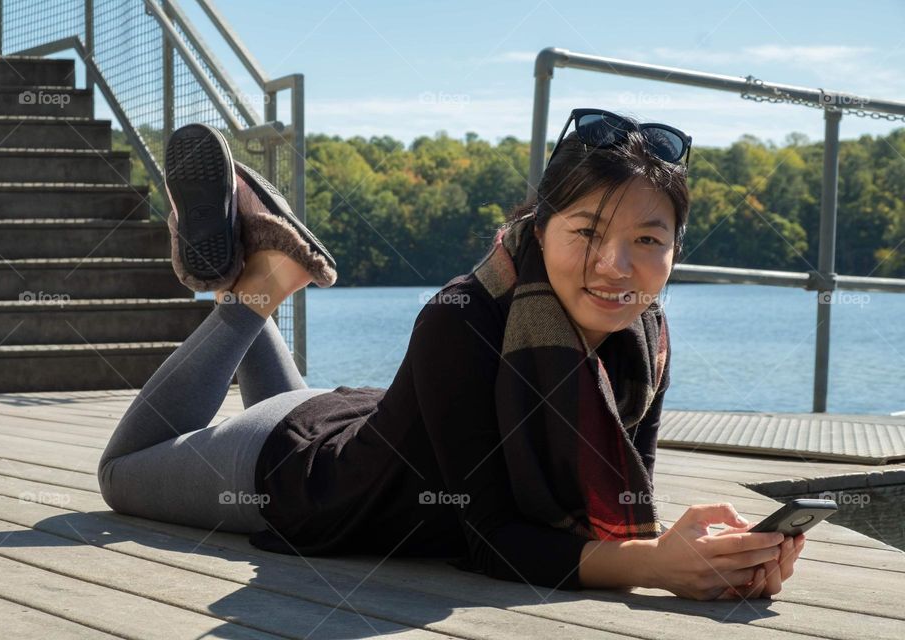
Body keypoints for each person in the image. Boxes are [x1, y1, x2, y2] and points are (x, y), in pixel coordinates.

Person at [98, 115, 803, 602]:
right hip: (299, 478)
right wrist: (655, 567)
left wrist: (719, 553)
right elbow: (490, 539)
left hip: (363, 425)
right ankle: (258, 288)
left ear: (676, 246)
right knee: (121, 474)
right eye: (586, 230)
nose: (616, 266)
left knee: (283, 389)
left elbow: (619, 508)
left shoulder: (644, 336)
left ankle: (258, 264)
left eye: (649, 239)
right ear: (538, 223)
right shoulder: (459, 317)